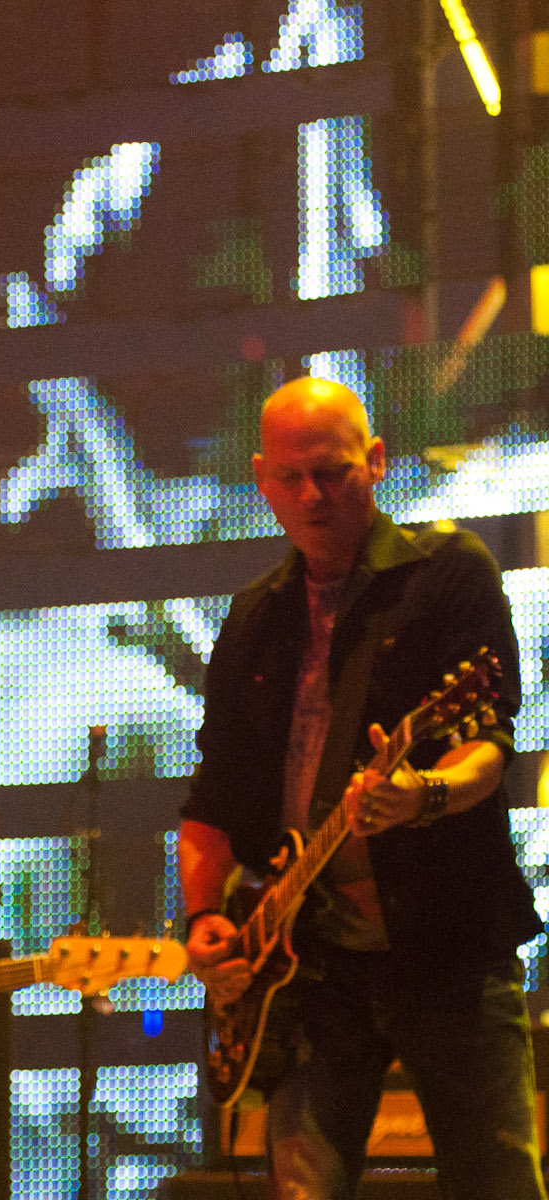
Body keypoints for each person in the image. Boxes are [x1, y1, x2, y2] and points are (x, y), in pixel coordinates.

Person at [178, 377, 546, 1198]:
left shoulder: (449, 573)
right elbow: (210, 808)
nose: (313, 495)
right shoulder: (253, 620)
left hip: (450, 950)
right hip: (313, 971)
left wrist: (425, 796)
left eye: (334, 472)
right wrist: (206, 919)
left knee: (499, 1183)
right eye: (291, 476)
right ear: (261, 479)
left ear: (376, 462)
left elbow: (489, 747)